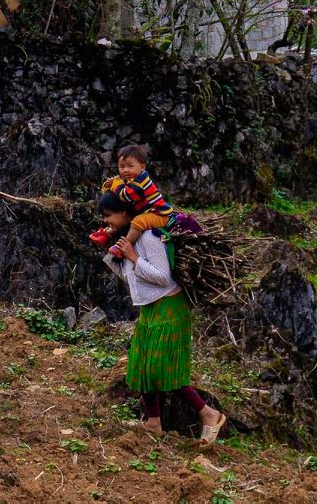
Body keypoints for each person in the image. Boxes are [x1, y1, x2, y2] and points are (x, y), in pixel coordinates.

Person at [100, 192, 227, 443]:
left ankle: (209, 414)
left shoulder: (148, 236)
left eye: (108, 215)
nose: (105, 221)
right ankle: (153, 422)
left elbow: (162, 277)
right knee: (142, 365)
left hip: (169, 307)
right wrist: (112, 252)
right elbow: (131, 278)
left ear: (124, 214)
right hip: (150, 308)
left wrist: (133, 257)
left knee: (162, 368)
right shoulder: (130, 240)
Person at [89, 143, 179, 255]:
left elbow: (123, 195)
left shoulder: (141, 182)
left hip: (160, 214)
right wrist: (111, 185)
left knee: (138, 221)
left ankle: (123, 247)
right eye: (121, 167)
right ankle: (107, 232)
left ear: (142, 167)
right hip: (148, 212)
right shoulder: (132, 179)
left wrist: (115, 184)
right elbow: (116, 190)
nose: (125, 170)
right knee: (131, 220)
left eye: (130, 166)